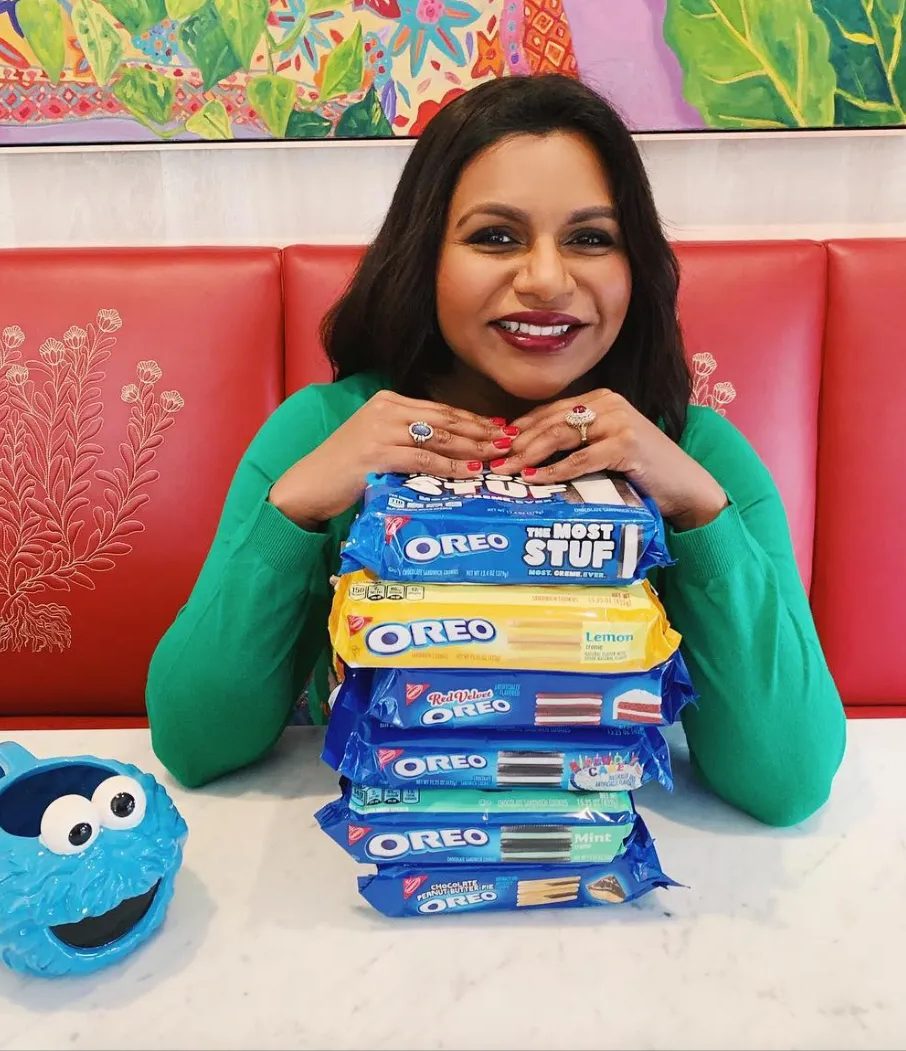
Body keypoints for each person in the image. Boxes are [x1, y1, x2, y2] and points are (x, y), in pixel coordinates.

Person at [146, 74, 845, 825]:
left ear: (634, 267)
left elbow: (789, 779)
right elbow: (195, 742)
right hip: (381, 852)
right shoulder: (322, 433)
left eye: (590, 238)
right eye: (495, 236)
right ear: (426, 257)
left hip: (590, 861)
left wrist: (696, 508)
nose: (546, 279)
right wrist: (295, 510)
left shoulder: (698, 455)